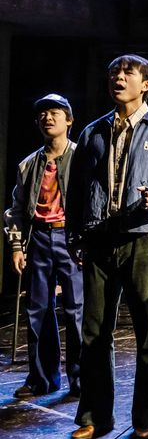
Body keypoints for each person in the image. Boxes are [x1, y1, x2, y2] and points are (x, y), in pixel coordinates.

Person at [67, 55, 148, 439]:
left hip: (143, 237)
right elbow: (77, 190)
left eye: (127, 74)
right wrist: (75, 234)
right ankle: (93, 415)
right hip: (100, 239)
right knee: (94, 331)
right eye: (113, 74)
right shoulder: (93, 132)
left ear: (146, 84)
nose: (118, 79)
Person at [7, 94, 83, 399]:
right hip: (38, 238)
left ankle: (79, 378)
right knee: (38, 309)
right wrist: (16, 246)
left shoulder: (81, 159)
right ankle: (42, 379)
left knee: (76, 310)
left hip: (70, 239)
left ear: (69, 120)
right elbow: (16, 208)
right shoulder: (28, 165)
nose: (48, 118)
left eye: (55, 113)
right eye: (43, 114)